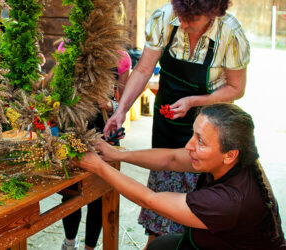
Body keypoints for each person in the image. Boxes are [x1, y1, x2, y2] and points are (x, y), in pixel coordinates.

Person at [103, 0, 250, 246]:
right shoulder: (165, 17)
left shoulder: (230, 32)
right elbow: (142, 70)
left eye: (191, 19)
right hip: (167, 120)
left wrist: (194, 101)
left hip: (209, 127)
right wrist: (121, 111)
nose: (182, 22)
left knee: (197, 209)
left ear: (212, 14)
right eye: (181, 15)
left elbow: (236, 88)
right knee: (161, 194)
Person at [74, 103, 286, 250]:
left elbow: (149, 200)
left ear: (230, 155)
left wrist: (99, 167)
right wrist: (116, 154)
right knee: (159, 245)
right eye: (193, 134)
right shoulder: (238, 159)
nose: (189, 145)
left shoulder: (228, 201)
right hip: (212, 242)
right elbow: (172, 159)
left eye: (200, 141)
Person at [60, 48, 131, 250]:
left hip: (104, 136)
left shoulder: (121, 58)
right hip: (73, 132)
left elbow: (123, 105)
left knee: (98, 197)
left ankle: (89, 247)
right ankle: (69, 243)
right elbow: (58, 90)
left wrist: (109, 104)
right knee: (70, 194)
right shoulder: (68, 47)